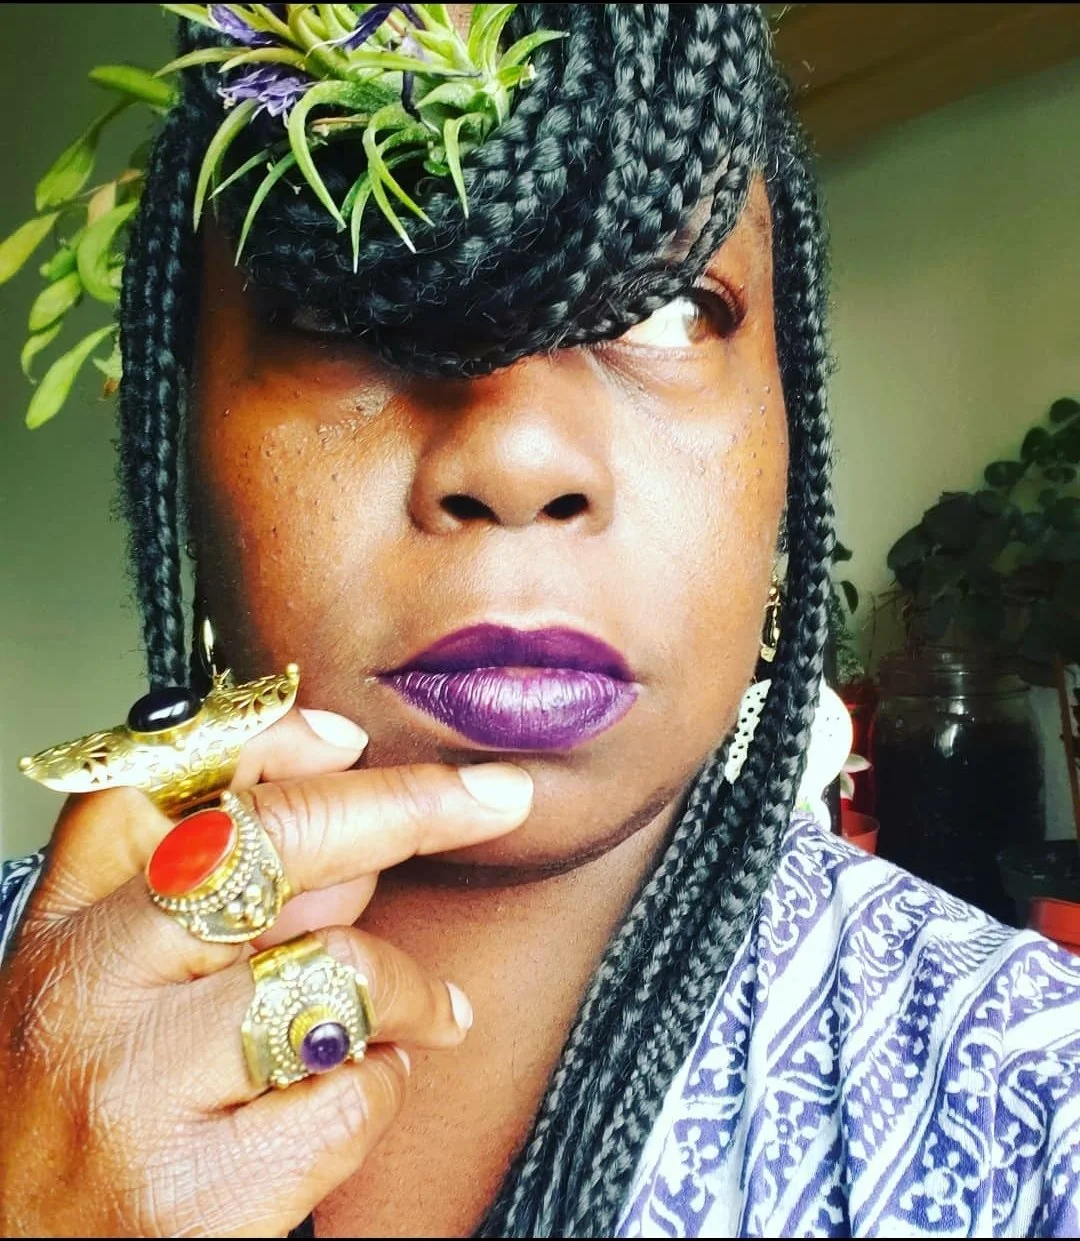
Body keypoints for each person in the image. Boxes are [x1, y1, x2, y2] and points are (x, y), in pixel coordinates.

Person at [2, 4, 1079, 1237]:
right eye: (351, 312)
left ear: (790, 433)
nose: (518, 455)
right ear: (182, 426)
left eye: (671, 308)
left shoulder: (1034, 1106)